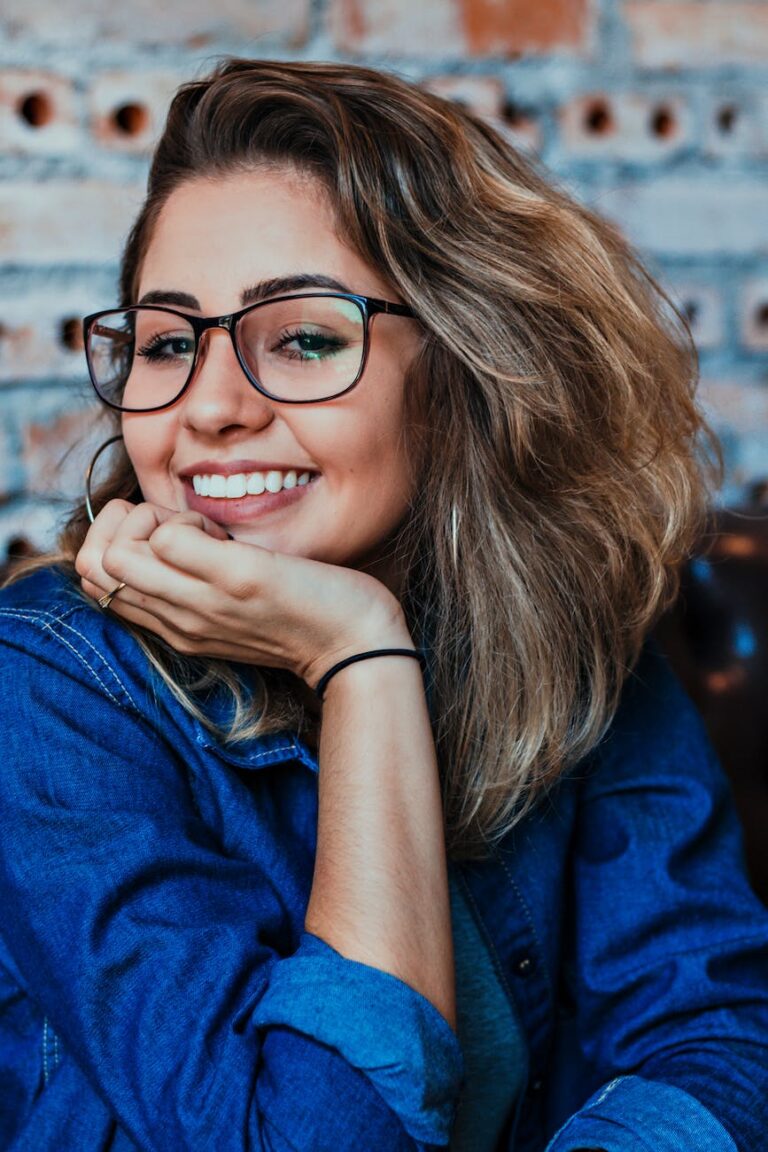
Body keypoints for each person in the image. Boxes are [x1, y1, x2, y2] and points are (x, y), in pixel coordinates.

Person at [0, 57, 766, 1152]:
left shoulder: (575, 636)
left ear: (462, 369)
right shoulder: (48, 688)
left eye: (305, 337)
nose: (208, 406)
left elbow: (714, 1032)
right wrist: (360, 656)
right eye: (170, 342)